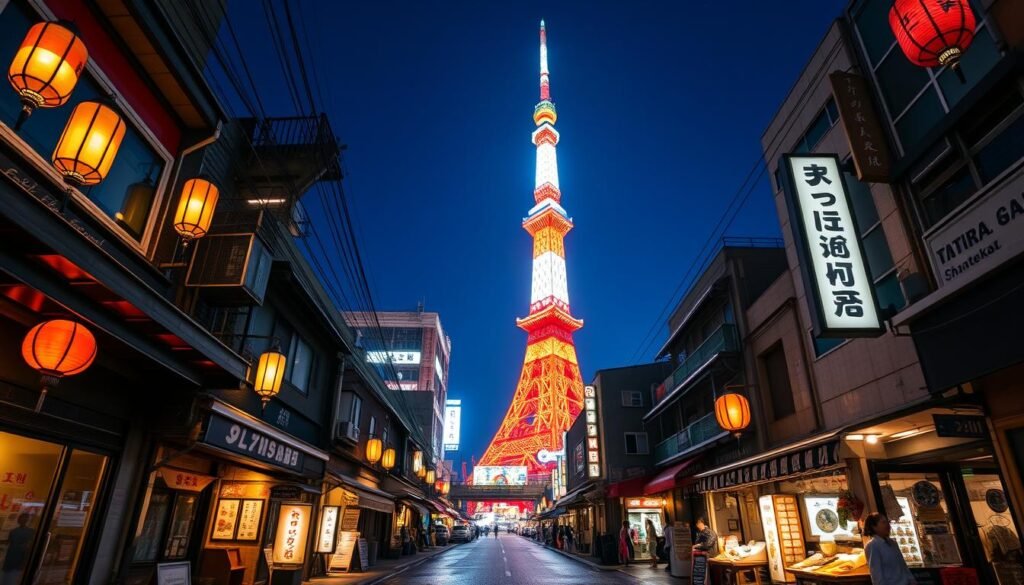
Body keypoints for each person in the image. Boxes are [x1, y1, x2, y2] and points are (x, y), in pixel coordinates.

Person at [864, 513, 917, 585]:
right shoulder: (873, 546)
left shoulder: (893, 543)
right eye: (883, 522)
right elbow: (877, 576)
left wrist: (912, 580)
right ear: (874, 527)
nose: (888, 525)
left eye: (887, 522)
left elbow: (903, 565)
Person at [1, 514, 34, 585]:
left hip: (20, 558)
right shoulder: (13, 531)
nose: (22, 520)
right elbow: (8, 541)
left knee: (14, 578)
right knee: (5, 579)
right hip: (10, 557)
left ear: (27, 520)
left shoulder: (31, 531)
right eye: (21, 518)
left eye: (25, 519)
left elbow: (29, 546)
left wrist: (24, 561)